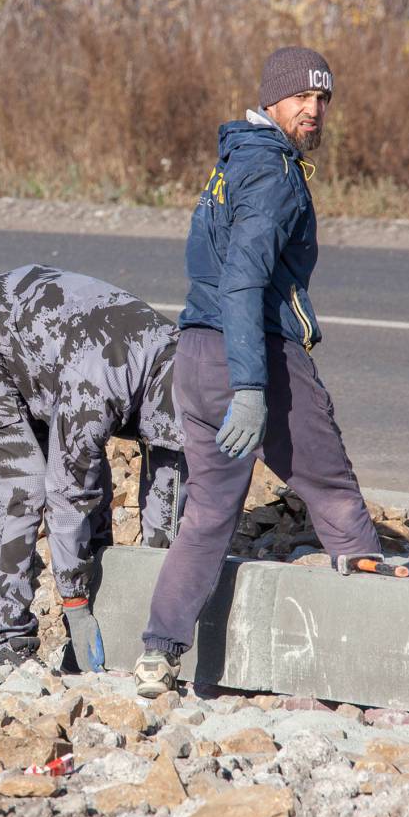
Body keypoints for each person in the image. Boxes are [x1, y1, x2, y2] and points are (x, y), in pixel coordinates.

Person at [133, 47, 383, 698]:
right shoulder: (271, 173)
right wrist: (250, 388)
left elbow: (204, 263)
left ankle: (159, 649)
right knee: (330, 488)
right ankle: (386, 638)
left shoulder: (230, 162)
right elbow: (243, 280)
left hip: (193, 352)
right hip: (254, 355)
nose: (314, 109)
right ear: (273, 98)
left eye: (323, 98)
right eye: (302, 96)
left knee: (209, 510)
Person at [0, 265, 185, 670]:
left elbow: (169, 487)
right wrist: (75, 604)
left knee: (93, 478)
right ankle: (10, 638)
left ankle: (100, 632)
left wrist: (164, 603)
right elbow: (67, 495)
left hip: (51, 354)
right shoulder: (104, 382)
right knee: (26, 486)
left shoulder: (193, 371)